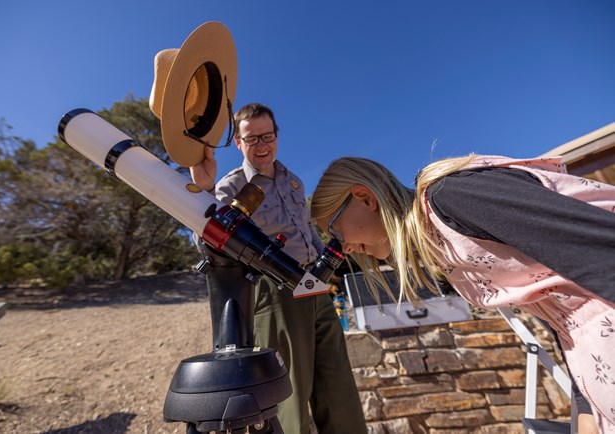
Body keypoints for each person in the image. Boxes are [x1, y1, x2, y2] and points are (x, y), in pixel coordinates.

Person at [310, 154, 615, 434]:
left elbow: (603, 251)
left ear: (364, 198)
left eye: (336, 233)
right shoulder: (443, 247)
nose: (343, 249)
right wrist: (586, 406)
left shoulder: (452, 198)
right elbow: (563, 313)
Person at [190, 103, 367, 434]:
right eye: (251, 138)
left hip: (314, 285)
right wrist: (202, 191)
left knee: (338, 385)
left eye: (267, 136)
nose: (261, 145)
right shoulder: (230, 186)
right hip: (274, 291)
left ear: (276, 136)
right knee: (289, 393)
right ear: (239, 144)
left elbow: (306, 229)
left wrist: (325, 270)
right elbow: (210, 240)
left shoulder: (294, 181)